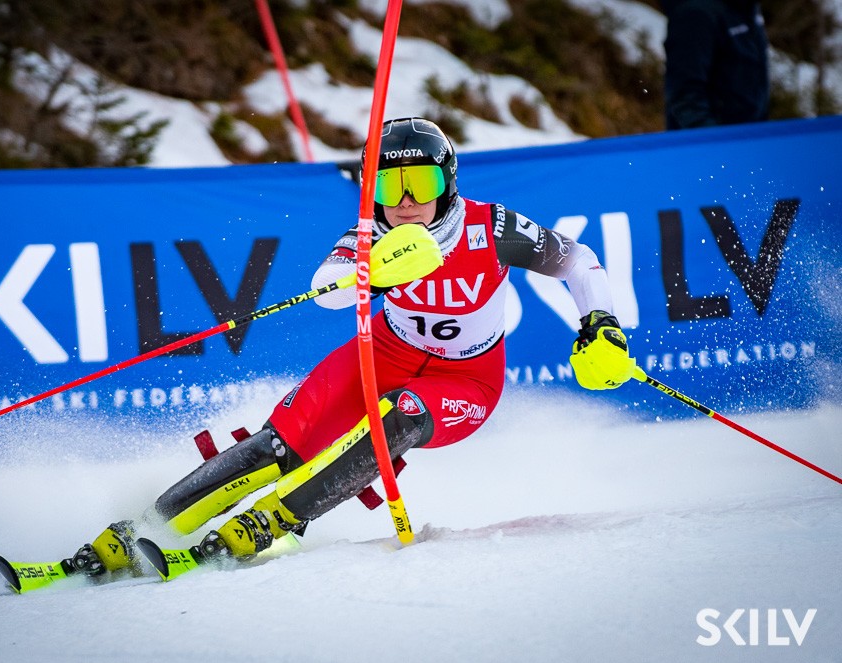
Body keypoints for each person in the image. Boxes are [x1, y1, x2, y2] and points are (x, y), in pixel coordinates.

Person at [70, 117, 636, 576]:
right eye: (390, 186)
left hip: (465, 381)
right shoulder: (370, 236)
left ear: (448, 184)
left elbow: (578, 260)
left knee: (402, 414)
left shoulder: (491, 228)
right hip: (384, 354)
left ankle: (275, 521)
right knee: (281, 442)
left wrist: (600, 322)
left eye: (422, 185)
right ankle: (145, 528)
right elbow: (326, 291)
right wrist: (375, 273)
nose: (407, 201)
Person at [663, 0, 770, 130]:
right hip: (711, 138)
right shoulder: (696, 14)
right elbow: (685, 95)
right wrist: (714, 137)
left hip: (749, 135)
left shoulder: (747, 9)